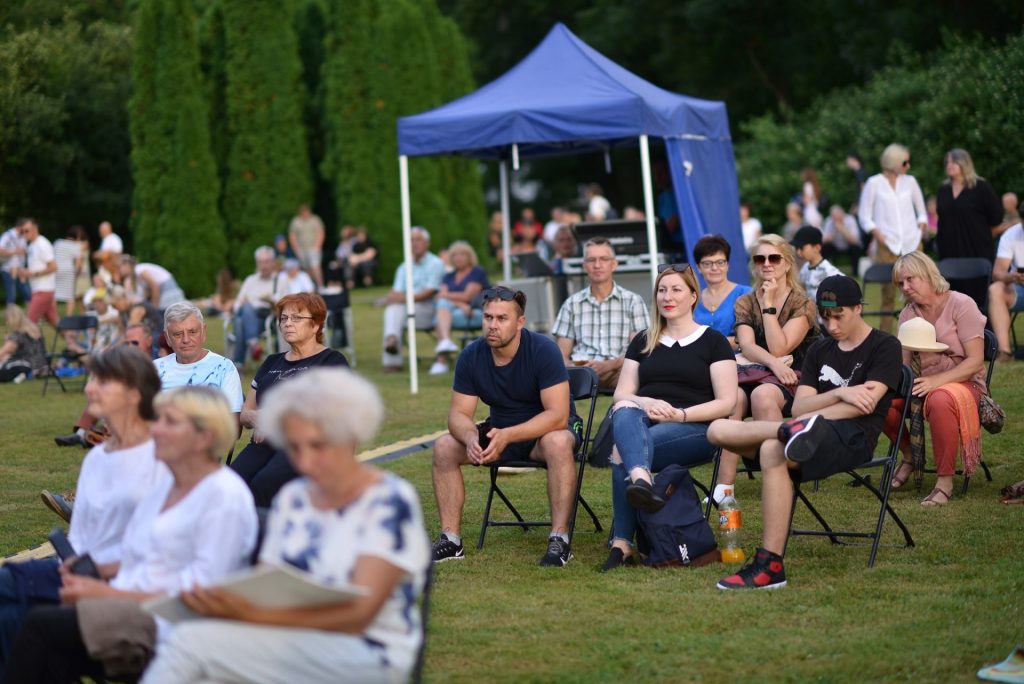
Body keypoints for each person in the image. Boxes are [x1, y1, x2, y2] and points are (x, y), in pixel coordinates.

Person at [140, 369, 429, 684]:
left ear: (352, 437)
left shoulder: (387, 501)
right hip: (293, 639)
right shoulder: (294, 498)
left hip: (371, 650)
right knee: (203, 657)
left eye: (317, 446)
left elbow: (360, 613)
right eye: (294, 447)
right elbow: (269, 585)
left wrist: (249, 615)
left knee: (192, 645)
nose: (304, 461)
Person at [3, 386, 257, 682]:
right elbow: (142, 552)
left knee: (37, 626)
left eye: (169, 423)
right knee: (11, 614)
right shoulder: (168, 484)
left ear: (205, 437)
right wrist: (96, 568)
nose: (156, 430)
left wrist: (105, 592)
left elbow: (199, 596)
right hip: (127, 598)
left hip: (165, 623)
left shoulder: (224, 497)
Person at [708, 275, 902, 589]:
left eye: (839, 316)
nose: (832, 325)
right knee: (717, 430)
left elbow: (863, 406)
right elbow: (800, 407)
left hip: (852, 437)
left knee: (773, 449)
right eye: (825, 318)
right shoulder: (820, 349)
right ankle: (792, 432)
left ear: (858, 308)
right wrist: (839, 394)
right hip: (803, 430)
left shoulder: (885, 345)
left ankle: (769, 565)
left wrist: (820, 410)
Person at [0, 345, 166, 676]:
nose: (89, 388)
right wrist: (72, 563)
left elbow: (163, 553)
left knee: (10, 595)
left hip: (124, 585)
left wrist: (96, 572)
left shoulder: (161, 459)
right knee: (7, 605)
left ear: (134, 394)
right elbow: (81, 536)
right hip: (77, 569)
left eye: (102, 381)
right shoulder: (98, 458)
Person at [601, 264, 737, 571]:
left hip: (697, 428)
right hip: (643, 422)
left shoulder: (713, 341)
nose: (667, 297)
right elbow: (622, 394)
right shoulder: (643, 341)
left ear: (693, 296)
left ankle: (622, 542)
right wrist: (647, 401)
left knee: (622, 449)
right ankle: (641, 482)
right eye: (662, 290)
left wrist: (681, 413)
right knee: (624, 409)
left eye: (676, 290)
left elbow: (727, 402)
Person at [431, 287, 581, 566]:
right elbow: (458, 414)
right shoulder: (472, 355)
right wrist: (469, 438)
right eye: (488, 317)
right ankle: (451, 541)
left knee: (558, 441)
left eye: (502, 319)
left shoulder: (543, 350)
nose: (493, 326)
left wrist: (509, 435)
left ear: (520, 322)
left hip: (544, 434)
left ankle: (560, 540)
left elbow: (558, 416)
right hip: (499, 432)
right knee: (444, 447)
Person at [712, 234, 818, 504]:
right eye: (760, 259)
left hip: (795, 379)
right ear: (754, 265)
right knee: (732, 399)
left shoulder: (802, 304)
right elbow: (746, 345)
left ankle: (778, 474)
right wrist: (772, 363)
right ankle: (724, 490)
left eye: (774, 258)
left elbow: (781, 346)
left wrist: (769, 306)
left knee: (763, 396)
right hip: (758, 372)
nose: (767, 264)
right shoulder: (745, 302)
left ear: (787, 264)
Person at [885, 252, 987, 507]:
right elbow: (904, 367)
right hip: (922, 385)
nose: (905, 287)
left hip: (963, 383)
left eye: (910, 279)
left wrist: (937, 381)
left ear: (929, 274)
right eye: (900, 283)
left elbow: (975, 361)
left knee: (941, 399)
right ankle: (909, 456)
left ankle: (944, 481)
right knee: (878, 400)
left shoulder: (962, 304)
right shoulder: (909, 314)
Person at [231, 293, 349, 507]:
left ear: (315, 325)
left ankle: (271, 536)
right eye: (284, 319)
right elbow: (246, 412)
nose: (288, 324)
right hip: (264, 444)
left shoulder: (331, 361)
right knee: (230, 483)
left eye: (296, 318)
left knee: (265, 483)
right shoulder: (271, 362)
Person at [552, 238, 649, 390]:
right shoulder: (571, 304)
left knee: (641, 373)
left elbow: (639, 350)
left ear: (614, 264)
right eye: (591, 260)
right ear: (584, 266)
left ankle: (620, 412)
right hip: (581, 371)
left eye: (604, 259)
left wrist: (610, 365)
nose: (597, 265)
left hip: (619, 370)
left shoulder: (633, 301)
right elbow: (561, 354)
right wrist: (576, 368)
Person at [858, 143, 928, 333]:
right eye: (905, 162)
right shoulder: (874, 183)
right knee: (888, 294)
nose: (908, 166)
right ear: (894, 162)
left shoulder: (910, 182)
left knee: (918, 291)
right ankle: (887, 336)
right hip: (887, 245)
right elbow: (864, 216)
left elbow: (921, 212)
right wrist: (878, 235)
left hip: (912, 243)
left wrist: (920, 230)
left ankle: (919, 333)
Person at [54, 324, 156, 449]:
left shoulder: (159, 360)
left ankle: (95, 436)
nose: (130, 347)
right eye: (127, 343)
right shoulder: (127, 359)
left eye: (134, 342)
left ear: (149, 341)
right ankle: (82, 433)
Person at [934, 148, 1003, 312]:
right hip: (949, 253)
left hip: (976, 250)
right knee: (952, 299)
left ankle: (984, 335)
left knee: (978, 299)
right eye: (947, 162)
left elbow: (996, 217)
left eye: (954, 161)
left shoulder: (981, 187)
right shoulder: (943, 190)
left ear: (964, 163)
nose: (949, 165)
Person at [153, 302, 244, 422]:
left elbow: (234, 428)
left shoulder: (224, 368)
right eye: (177, 334)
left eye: (192, 332)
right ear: (167, 338)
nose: (186, 340)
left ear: (203, 332)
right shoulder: (154, 369)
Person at [380, 226, 444, 371]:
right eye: (411, 240)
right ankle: (392, 340)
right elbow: (394, 293)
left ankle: (392, 358)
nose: (414, 243)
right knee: (393, 309)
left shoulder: (436, 263)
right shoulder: (403, 267)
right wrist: (399, 298)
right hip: (406, 310)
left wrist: (402, 298)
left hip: (429, 310)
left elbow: (428, 293)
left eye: (418, 240)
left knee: (394, 311)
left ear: (427, 243)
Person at [429, 241, 489, 375]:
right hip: (459, 311)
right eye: (455, 255)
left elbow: (467, 296)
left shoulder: (477, 272)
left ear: (470, 256)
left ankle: (441, 361)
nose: (458, 258)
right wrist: (461, 304)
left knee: (440, 316)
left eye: (462, 254)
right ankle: (445, 342)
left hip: (476, 312)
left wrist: (451, 298)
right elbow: (441, 297)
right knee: (442, 307)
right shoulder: (448, 276)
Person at [692, 234, 752, 350]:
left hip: (738, 362)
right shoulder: (692, 299)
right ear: (699, 267)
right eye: (707, 264)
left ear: (727, 265)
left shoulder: (745, 294)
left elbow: (750, 340)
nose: (714, 268)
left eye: (720, 262)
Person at [232, 246, 278, 368]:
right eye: (261, 262)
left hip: (266, 320)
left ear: (273, 263)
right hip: (249, 315)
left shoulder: (280, 281)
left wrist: (272, 302)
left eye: (267, 262)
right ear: (257, 263)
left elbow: (284, 305)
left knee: (240, 321)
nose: (264, 265)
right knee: (245, 310)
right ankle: (253, 344)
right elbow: (237, 305)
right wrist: (242, 304)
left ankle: (238, 364)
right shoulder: (250, 280)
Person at [987, 219, 1024, 360]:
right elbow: (997, 273)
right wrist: (1013, 277)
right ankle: (1004, 352)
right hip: (1019, 288)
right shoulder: (1011, 235)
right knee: (996, 289)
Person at [16, 218, 59, 328]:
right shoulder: (31, 246)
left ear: (35, 228)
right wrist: (25, 273)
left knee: (29, 323)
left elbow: (54, 267)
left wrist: (32, 274)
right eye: (22, 232)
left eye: (27, 231)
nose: (24, 234)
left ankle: (20, 344)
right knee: (55, 323)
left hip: (44, 290)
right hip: (38, 289)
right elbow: (35, 268)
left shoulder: (42, 244)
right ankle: (75, 344)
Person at [791, 226, 842, 302]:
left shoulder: (829, 271)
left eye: (801, 248)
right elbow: (801, 289)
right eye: (796, 248)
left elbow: (844, 292)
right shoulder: (805, 268)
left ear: (817, 247)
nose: (798, 252)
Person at [119, 256, 186, 311]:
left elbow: (155, 286)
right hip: (167, 289)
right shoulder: (137, 273)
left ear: (127, 265)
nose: (120, 270)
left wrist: (155, 307)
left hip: (167, 290)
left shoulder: (139, 270)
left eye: (120, 267)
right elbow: (147, 292)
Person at [0, 304, 47, 383]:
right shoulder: (34, 329)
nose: (6, 323)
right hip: (40, 365)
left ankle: (21, 375)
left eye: (7, 319)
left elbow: (2, 352)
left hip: (23, 365)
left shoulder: (17, 334)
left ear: (13, 319)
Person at [288, 203, 325, 289]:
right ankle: (310, 286)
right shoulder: (296, 221)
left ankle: (320, 286)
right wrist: (296, 249)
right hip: (301, 249)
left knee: (315, 267)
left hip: (313, 248)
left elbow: (321, 233)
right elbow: (292, 235)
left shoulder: (315, 220)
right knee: (306, 269)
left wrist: (317, 247)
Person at [0, 224, 28, 305]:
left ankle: (30, 308)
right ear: (19, 226)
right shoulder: (7, 235)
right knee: (11, 290)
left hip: (20, 267)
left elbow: (25, 250)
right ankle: (11, 310)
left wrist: (23, 251)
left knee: (24, 289)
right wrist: (14, 251)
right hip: (8, 267)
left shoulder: (23, 236)